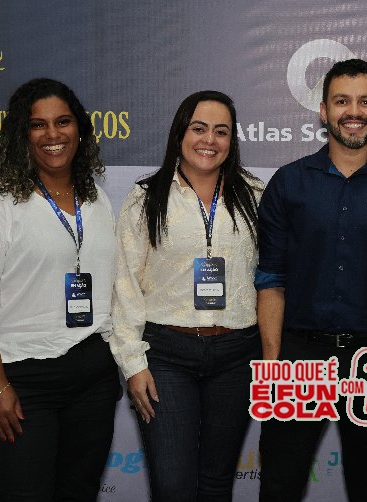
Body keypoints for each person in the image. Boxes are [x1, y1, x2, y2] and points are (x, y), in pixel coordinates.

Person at [255, 58, 367, 501]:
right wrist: (274, 365)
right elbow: (271, 280)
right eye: (342, 101)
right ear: (323, 111)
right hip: (299, 357)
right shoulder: (288, 183)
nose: (354, 112)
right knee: (280, 485)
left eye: (365, 102)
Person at [0, 78, 120, 500]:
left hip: (91, 375)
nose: (52, 134)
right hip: (19, 375)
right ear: (21, 134)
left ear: (79, 129)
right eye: (38, 125)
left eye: (63, 121)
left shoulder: (96, 198)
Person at [108, 90, 263, 501]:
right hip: (166, 356)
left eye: (221, 131)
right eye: (199, 128)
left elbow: (272, 277)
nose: (209, 140)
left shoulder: (255, 195)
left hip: (237, 355)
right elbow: (124, 284)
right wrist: (132, 364)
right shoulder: (146, 197)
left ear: (231, 140)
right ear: (180, 133)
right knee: (173, 485)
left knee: (216, 483)